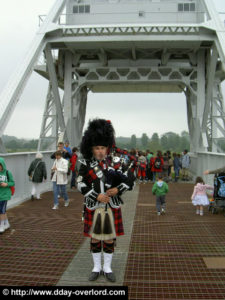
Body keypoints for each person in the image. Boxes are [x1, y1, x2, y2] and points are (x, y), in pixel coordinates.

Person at [77, 119, 134, 283]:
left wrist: (118, 190)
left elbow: (131, 181)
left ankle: (107, 268)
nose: (100, 151)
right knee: (94, 238)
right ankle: (96, 267)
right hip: (93, 206)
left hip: (111, 205)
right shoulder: (86, 164)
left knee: (109, 238)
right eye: (97, 148)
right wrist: (96, 195)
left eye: (102, 147)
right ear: (91, 148)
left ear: (107, 147)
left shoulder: (118, 162)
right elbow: (80, 184)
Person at [0, 157, 15, 233]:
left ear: (2, 165)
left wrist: (6, 184)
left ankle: (1, 226)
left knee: (1, 211)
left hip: (5, 195)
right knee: (3, 211)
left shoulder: (7, 173)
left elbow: (12, 183)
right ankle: (7, 224)